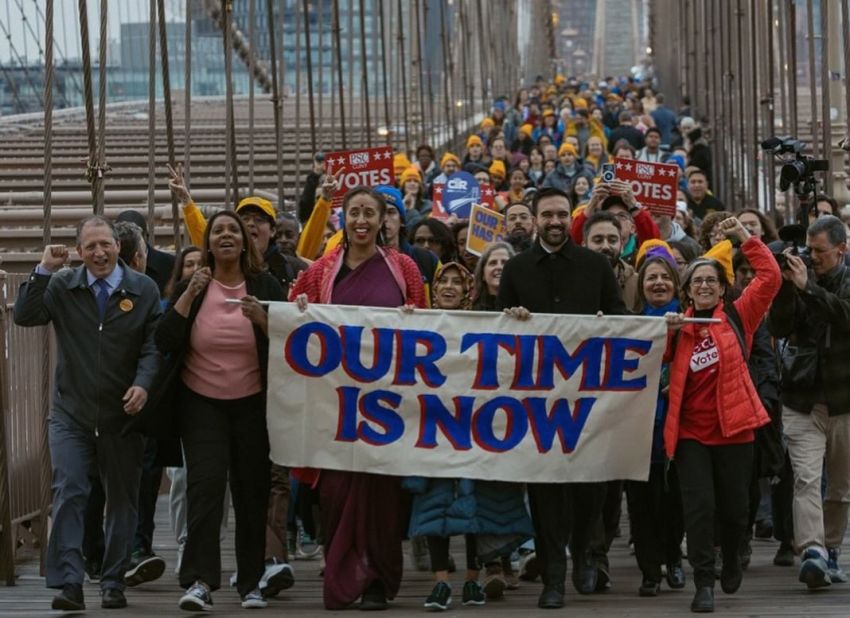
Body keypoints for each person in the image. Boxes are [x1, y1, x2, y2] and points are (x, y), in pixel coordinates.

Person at [14, 216, 162, 611]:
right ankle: (69, 583)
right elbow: (25, 315)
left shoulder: (143, 289)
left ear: (118, 246)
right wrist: (44, 269)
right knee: (70, 490)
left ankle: (113, 581)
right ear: (79, 252)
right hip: (71, 412)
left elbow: (153, 346)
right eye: (90, 246)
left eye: (105, 245)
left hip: (123, 413)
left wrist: (144, 383)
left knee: (121, 500)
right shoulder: (64, 284)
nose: (99, 252)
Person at [289, 187, 427, 610]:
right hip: (337, 407)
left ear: (384, 220)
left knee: (384, 497)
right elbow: (293, 313)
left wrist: (413, 319)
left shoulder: (404, 267)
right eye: (355, 213)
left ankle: (378, 582)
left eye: (371, 213)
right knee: (336, 493)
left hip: (387, 405)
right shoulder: (321, 270)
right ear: (342, 220)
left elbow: (427, 326)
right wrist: (298, 308)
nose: (363, 220)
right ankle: (344, 573)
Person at [498, 187, 626, 609]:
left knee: (590, 487)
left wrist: (611, 324)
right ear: (535, 219)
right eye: (546, 215)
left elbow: (620, 318)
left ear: (568, 218)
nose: (554, 222)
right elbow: (498, 329)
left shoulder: (595, 265)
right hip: (536, 401)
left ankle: (585, 553)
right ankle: (554, 576)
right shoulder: (516, 269)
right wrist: (512, 319)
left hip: (586, 398)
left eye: (560, 215)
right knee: (546, 491)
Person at [153, 210, 284, 611]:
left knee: (251, 491)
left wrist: (265, 321)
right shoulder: (196, 284)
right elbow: (164, 339)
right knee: (205, 489)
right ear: (207, 243)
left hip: (253, 404)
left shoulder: (266, 285)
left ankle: (251, 582)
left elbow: (293, 344)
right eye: (218, 231)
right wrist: (190, 292)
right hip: (201, 402)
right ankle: (199, 581)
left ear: (246, 241)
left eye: (234, 230)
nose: (226, 235)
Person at [664, 216, 781, 613]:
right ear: (687, 290)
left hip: (735, 431)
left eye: (711, 280)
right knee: (699, 510)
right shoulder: (677, 326)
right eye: (696, 281)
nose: (704, 286)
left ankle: (732, 556)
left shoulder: (739, 315)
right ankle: (703, 581)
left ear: (722, 286)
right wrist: (666, 332)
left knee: (734, 509)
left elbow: (770, 277)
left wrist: (744, 237)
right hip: (691, 434)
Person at [406, 261, 534, 611]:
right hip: (432, 429)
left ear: (467, 290)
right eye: (442, 281)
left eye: (456, 282)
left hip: (476, 429)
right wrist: (400, 322)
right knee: (436, 507)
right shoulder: (417, 322)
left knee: (474, 506)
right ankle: (440, 584)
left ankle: (471, 583)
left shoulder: (486, 324)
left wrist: (518, 319)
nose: (448, 287)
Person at [767, 215, 850, 590]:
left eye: (819, 252)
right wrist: (787, 288)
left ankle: (831, 548)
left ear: (841, 249)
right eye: (808, 250)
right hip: (802, 399)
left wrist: (810, 289)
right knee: (806, 479)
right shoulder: (799, 278)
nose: (811, 258)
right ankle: (813, 551)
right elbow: (780, 327)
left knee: (840, 487)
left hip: (844, 399)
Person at [627, 246, 686, 598]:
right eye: (652, 278)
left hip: (677, 427)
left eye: (666, 277)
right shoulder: (629, 321)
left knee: (674, 499)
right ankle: (650, 571)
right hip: (637, 428)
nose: (659, 283)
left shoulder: (692, 318)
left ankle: (673, 559)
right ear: (642, 285)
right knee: (641, 502)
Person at [472, 242, 515, 311]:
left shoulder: (525, 305)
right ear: (482, 274)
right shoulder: (470, 310)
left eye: (504, 262)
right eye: (493, 263)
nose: (499, 267)